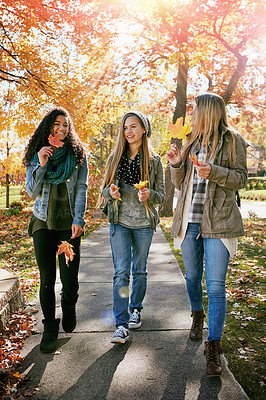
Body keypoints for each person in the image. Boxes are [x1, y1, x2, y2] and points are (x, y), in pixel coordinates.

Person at [166, 93, 247, 376]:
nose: (193, 113)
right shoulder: (191, 140)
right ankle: (197, 314)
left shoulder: (232, 139)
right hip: (190, 220)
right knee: (191, 277)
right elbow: (181, 184)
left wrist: (213, 171)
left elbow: (241, 178)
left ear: (208, 111)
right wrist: (176, 164)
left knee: (215, 286)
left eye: (196, 109)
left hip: (219, 220)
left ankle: (213, 348)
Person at [23, 107, 88, 354]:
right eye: (57, 124)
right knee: (47, 278)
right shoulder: (37, 154)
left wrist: (79, 219)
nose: (62, 128)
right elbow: (31, 192)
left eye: (66, 125)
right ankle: (50, 329)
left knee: (69, 280)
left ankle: (69, 303)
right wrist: (41, 164)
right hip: (42, 221)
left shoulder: (78, 154)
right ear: (49, 126)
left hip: (68, 223)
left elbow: (81, 188)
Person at [100, 111, 165, 344]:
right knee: (120, 273)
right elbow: (104, 191)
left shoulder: (155, 162)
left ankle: (136, 308)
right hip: (120, 222)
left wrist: (150, 194)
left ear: (144, 129)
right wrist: (111, 192)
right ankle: (121, 324)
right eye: (125, 127)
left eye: (133, 126)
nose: (128, 131)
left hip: (143, 224)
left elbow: (163, 196)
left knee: (139, 270)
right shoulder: (115, 158)